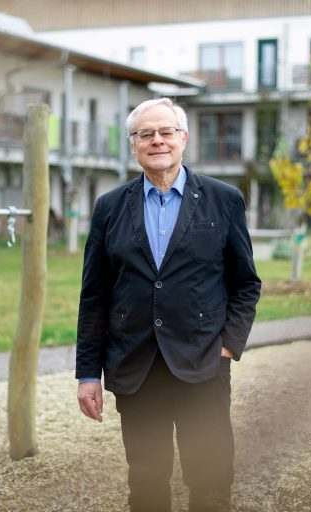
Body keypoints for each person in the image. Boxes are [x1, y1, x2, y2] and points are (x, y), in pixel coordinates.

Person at [75, 97, 261, 512]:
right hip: (135, 366)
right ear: (134, 145)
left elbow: (245, 284)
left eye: (166, 132)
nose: (157, 140)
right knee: (146, 481)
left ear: (183, 139)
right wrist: (88, 372)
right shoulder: (109, 208)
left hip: (203, 363)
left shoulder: (223, 199)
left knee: (210, 478)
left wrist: (227, 348)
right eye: (146, 134)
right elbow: (95, 296)